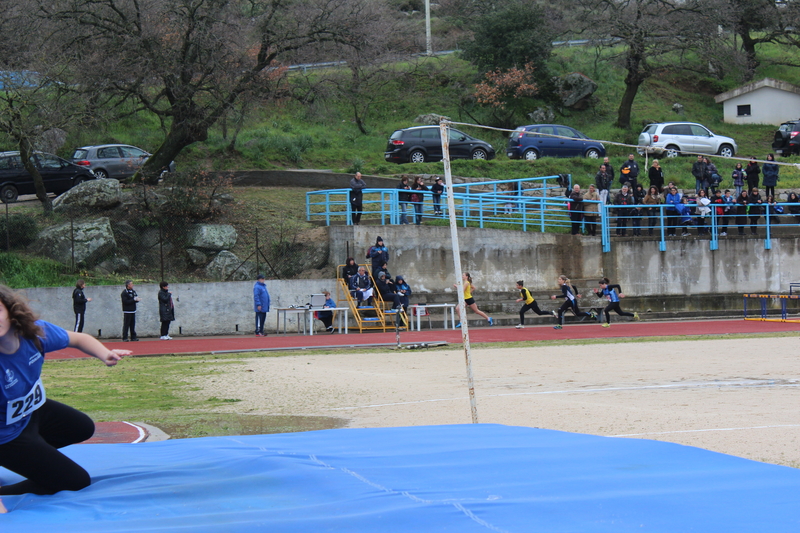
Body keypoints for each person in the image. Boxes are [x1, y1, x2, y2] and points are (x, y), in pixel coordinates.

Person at [0, 284, 130, 496]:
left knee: (81, 427)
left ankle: (31, 459)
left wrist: (104, 354)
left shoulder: (34, 334)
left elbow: (78, 338)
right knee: (76, 481)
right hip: (6, 436)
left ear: (10, 311)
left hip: (29, 414)